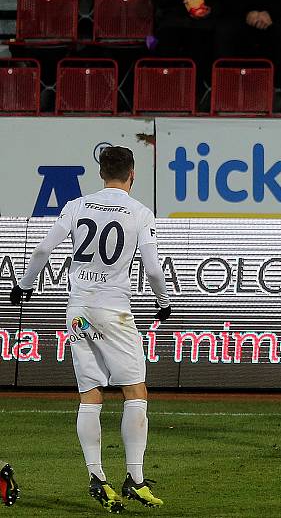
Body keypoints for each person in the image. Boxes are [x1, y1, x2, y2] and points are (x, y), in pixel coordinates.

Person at [9, 146, 171, 511]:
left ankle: (97, 478)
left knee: (90, 393)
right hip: (114, 312)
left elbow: (41, 250)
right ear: (133, 173)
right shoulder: (140, 212)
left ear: (101, 173)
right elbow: (155, 269)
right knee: (135, 391)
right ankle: (135, 479)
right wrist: (163, 303)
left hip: (78, 310)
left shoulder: (76, 205)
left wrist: (24, 285)